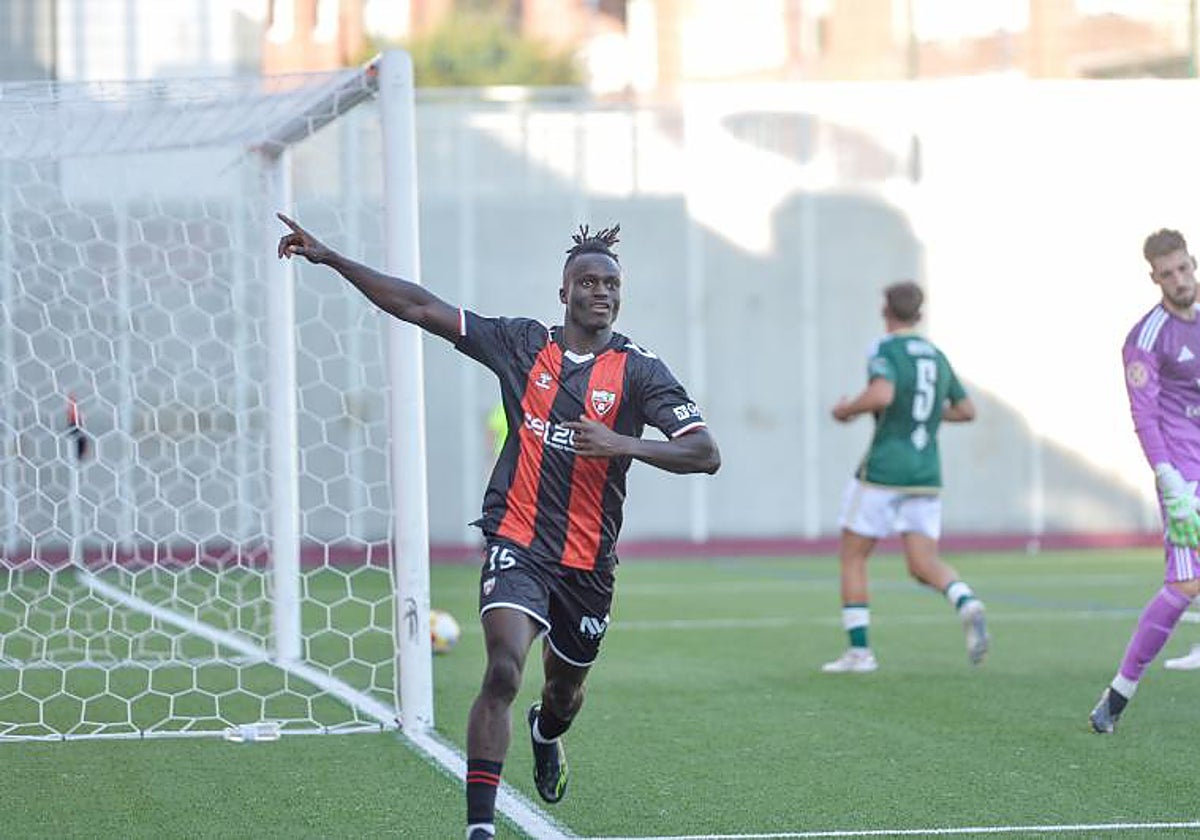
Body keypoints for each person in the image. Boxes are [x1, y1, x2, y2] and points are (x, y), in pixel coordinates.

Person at [276, 215, 721, 839]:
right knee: (505, 668)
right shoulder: (520, 344)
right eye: (588, 282)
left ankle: (545, 733)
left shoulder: (641, 372)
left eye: (611, 284)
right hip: (517, 538)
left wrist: (623, 442)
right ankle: (479, 829)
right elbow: (422, 308)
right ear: (563, 292)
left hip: (589, 563)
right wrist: (332, 259)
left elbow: (705, 452)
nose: (602, 292)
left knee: (564, 696)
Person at [822, 280, 986, 674]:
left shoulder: (884, 348)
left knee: (853, 556)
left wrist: (847, 410)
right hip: (925, 472)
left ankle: (860, 653)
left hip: (883, 470)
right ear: (920, 313)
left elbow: (881, 394)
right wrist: (925, 414)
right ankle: (965, 600)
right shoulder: (936, 354)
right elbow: (966, 410)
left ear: (886, 311)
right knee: (922, 562)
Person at [1090, 227, 1200, 732]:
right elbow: (1145, 414)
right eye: (1168, 273)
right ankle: (1119, 694)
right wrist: (1168, 478)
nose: (1179, 279)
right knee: (1183, 583)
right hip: (1185, 476)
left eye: (1185, 268)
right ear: (1153, 277)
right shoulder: (1146, 338)